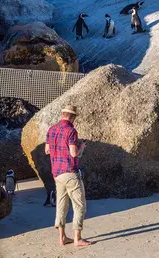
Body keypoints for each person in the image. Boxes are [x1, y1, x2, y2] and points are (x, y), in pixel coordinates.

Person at [45, 105, 92, 247]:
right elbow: (73, 153)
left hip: (56, 173)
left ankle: (62, 238)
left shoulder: (51, 129)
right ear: (72, 117)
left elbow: (47, 150)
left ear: (63, 114)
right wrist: (81, 147)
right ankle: (78, 239)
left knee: (61, 205)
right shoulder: (71, 131)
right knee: (79, 205)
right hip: (70, 172)